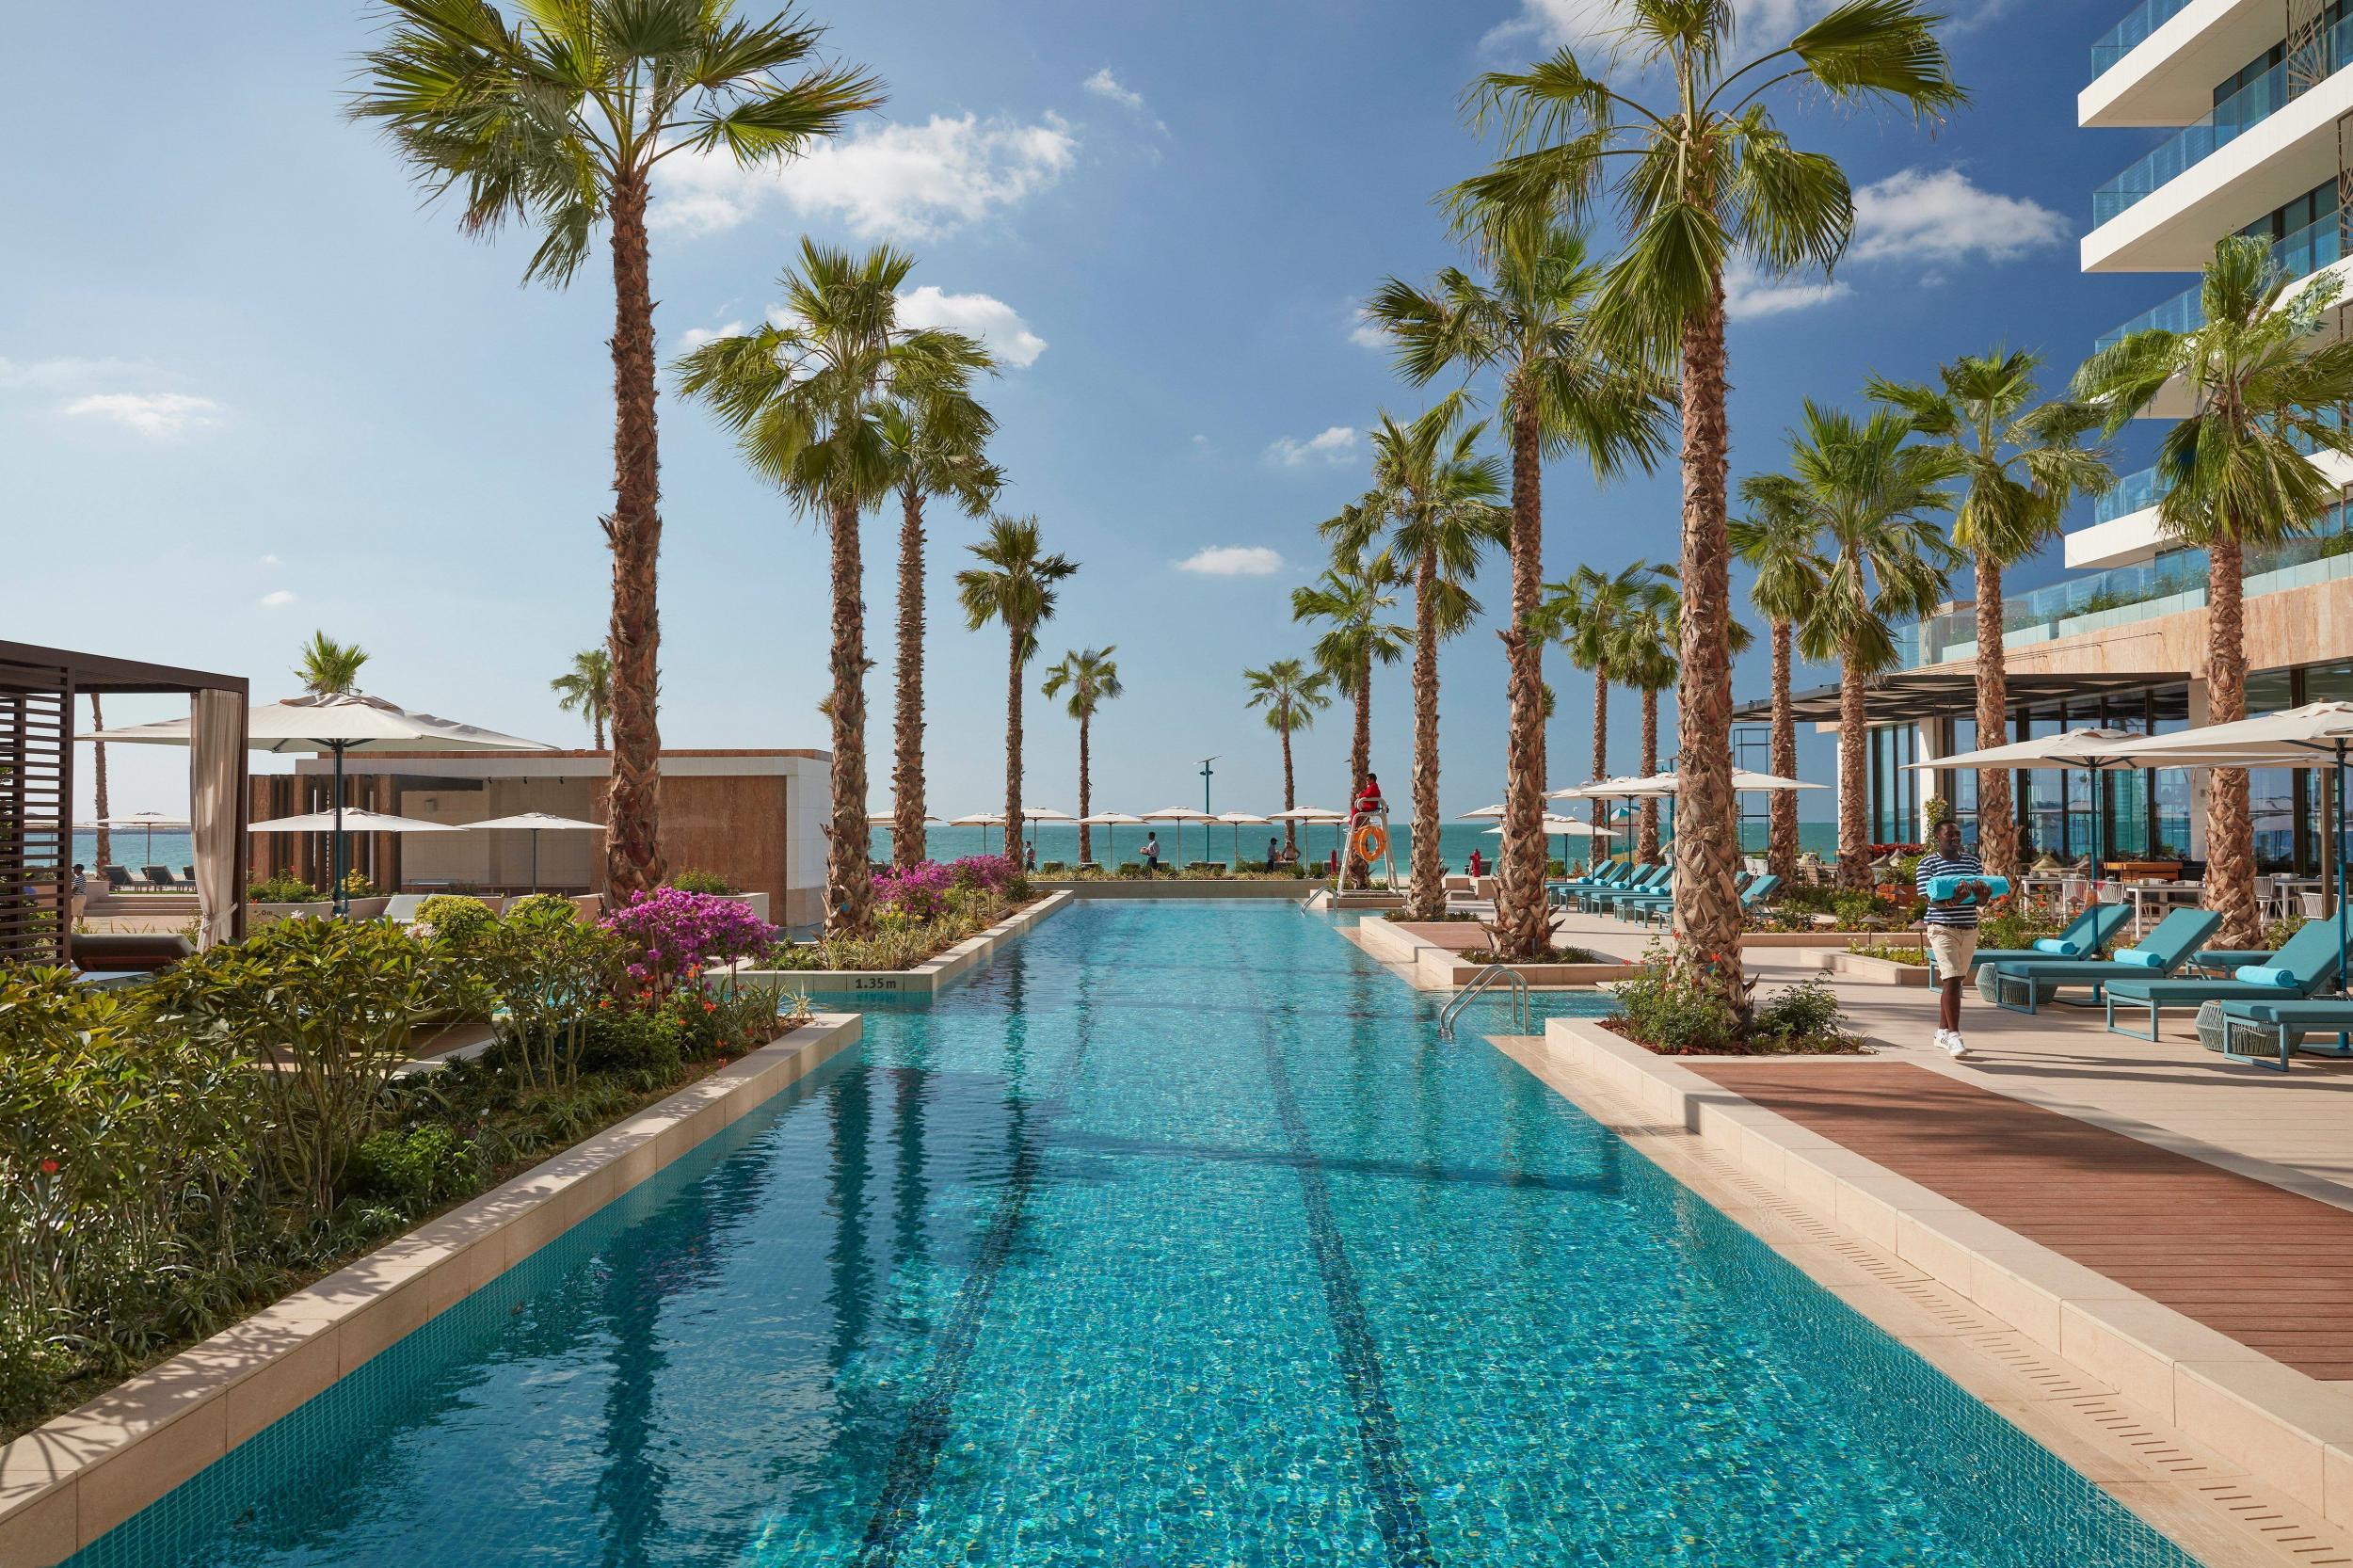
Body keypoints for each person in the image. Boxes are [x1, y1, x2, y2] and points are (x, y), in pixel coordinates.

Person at [1916, 818, 1993, 1059]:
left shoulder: (1972, 861)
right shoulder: (1927, 864)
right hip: (1942, 928)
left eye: (1957, 833)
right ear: (1938, 837)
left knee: (1957, 980)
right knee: (1950, 979)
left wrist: (1982, 897)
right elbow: (1929, 899)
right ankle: (1954, 1036)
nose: (1955, 837)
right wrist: (1953, 901)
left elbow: (1980, 901)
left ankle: (1941, 1031)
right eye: (1950, 834)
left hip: (1969, 927)